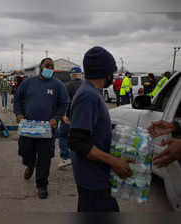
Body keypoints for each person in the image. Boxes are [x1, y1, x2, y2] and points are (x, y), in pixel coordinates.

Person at [69, 46, 134, 212]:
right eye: (112, 71)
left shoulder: (92, 92)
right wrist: (115, 162)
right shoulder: (88, 96)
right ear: (106, 72)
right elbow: (77, 142)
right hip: (93, 181)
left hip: (95, 177)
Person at [14, 57, 69, 199]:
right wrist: (19, 114)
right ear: (40, 66)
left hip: (47, 130)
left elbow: (64, 103)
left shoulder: (58, 85)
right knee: (26, 152)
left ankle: (42, 185)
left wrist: (56, 118)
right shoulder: (28, 83)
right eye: (47, 66)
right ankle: (30, 165)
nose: (49, 68)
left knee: (45, 158)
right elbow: (18, 99)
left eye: (51, 66)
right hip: (28, 127)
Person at [58, 66, 83, 169]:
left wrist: (63, 115)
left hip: (69, 117)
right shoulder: (86, 85)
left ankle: (66, 157)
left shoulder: (66, 86)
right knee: (80, 138)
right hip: (83, 117)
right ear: (80, 74)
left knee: (63, 136)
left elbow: (63, 102)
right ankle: (80, 159)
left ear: (71, 75)